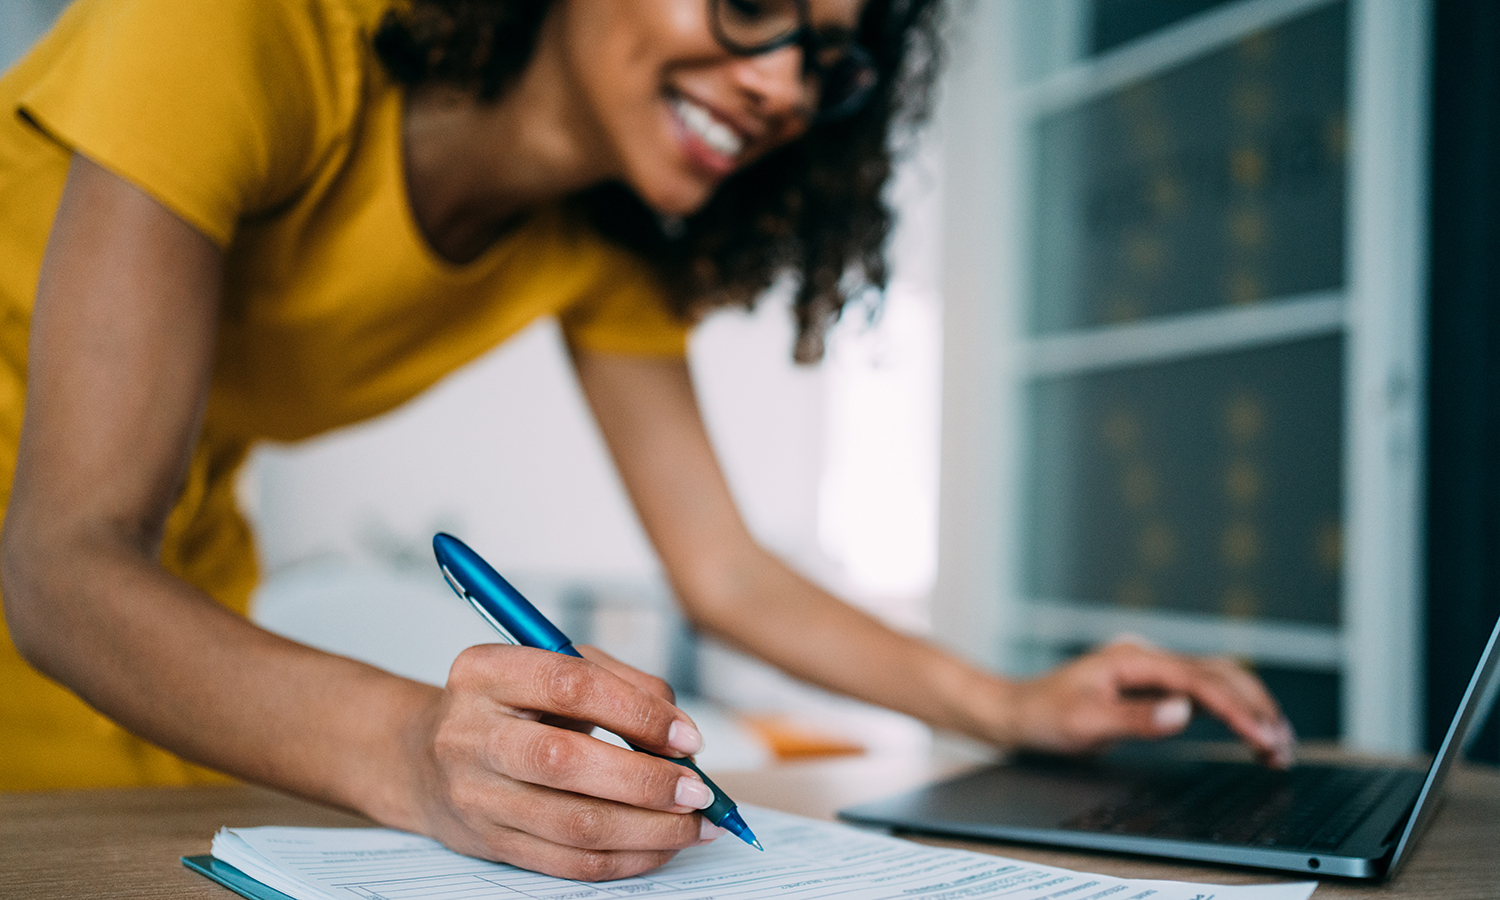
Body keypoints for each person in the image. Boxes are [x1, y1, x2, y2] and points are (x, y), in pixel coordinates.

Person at [0, 0, 1294, 882]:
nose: (787, 83)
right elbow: (62, 560)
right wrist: (413, 751)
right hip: (85, 580)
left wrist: (1012, 702)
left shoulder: (598, 244)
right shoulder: (236, 24)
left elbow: (724, 575)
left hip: (171, 587)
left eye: (827, 60)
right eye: (749, 2)